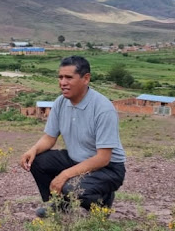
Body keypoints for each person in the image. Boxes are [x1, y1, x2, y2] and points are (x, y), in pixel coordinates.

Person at [20, 55, 126, 218]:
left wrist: (65, 175)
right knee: (38, 161)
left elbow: (103, 158)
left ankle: (102, 201)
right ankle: (58, 204)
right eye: (60, 77)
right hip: (77, 160)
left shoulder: (103, 109)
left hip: (108, 169)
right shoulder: (60, 103)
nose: (63, 82)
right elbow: (49, 138)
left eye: (69, 77)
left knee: (70, 186)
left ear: (86, 79)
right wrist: (33, 150)